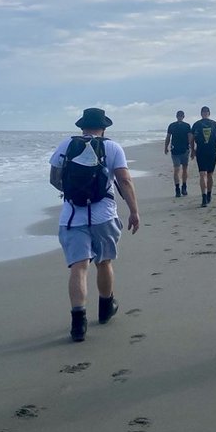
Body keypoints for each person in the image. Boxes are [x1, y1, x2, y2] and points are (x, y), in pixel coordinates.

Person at [49, 107, 141, 342]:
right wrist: (134, 211)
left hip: (72, 216)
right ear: (104, 127)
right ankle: (105, 308)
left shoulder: (66, 145)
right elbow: (125, 180)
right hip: (104, 216)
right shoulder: (112, 147)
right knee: (104, 262)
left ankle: (78, 324)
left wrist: (73, 193)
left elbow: (54, 178)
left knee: (78, 267)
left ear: (81, 126)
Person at [188, 105, 216, 207]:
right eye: (204, 112)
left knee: (207, 174)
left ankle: (207, 194)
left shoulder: (211, 124)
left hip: (209, 152)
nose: (205, 114)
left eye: (206, 112)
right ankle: (205, 196)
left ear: (207, 113)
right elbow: (191, 140)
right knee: (205, 174)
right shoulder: (200, 124)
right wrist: (192, 151)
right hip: (203, 152)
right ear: (202, 113)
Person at [164, 110, 192, 198]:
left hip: (185, 150)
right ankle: (177, 188)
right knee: (176, 169)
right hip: (175, 150)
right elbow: (168, 137)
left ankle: (184, 186)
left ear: (183, 116)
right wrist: (166, 147)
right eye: (178, 116)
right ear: (176, 116)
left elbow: (190, 137)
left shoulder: (187, 126)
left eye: (181, 116)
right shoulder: (172, 125)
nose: (180, 117)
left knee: (185, 169)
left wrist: (191, 147)